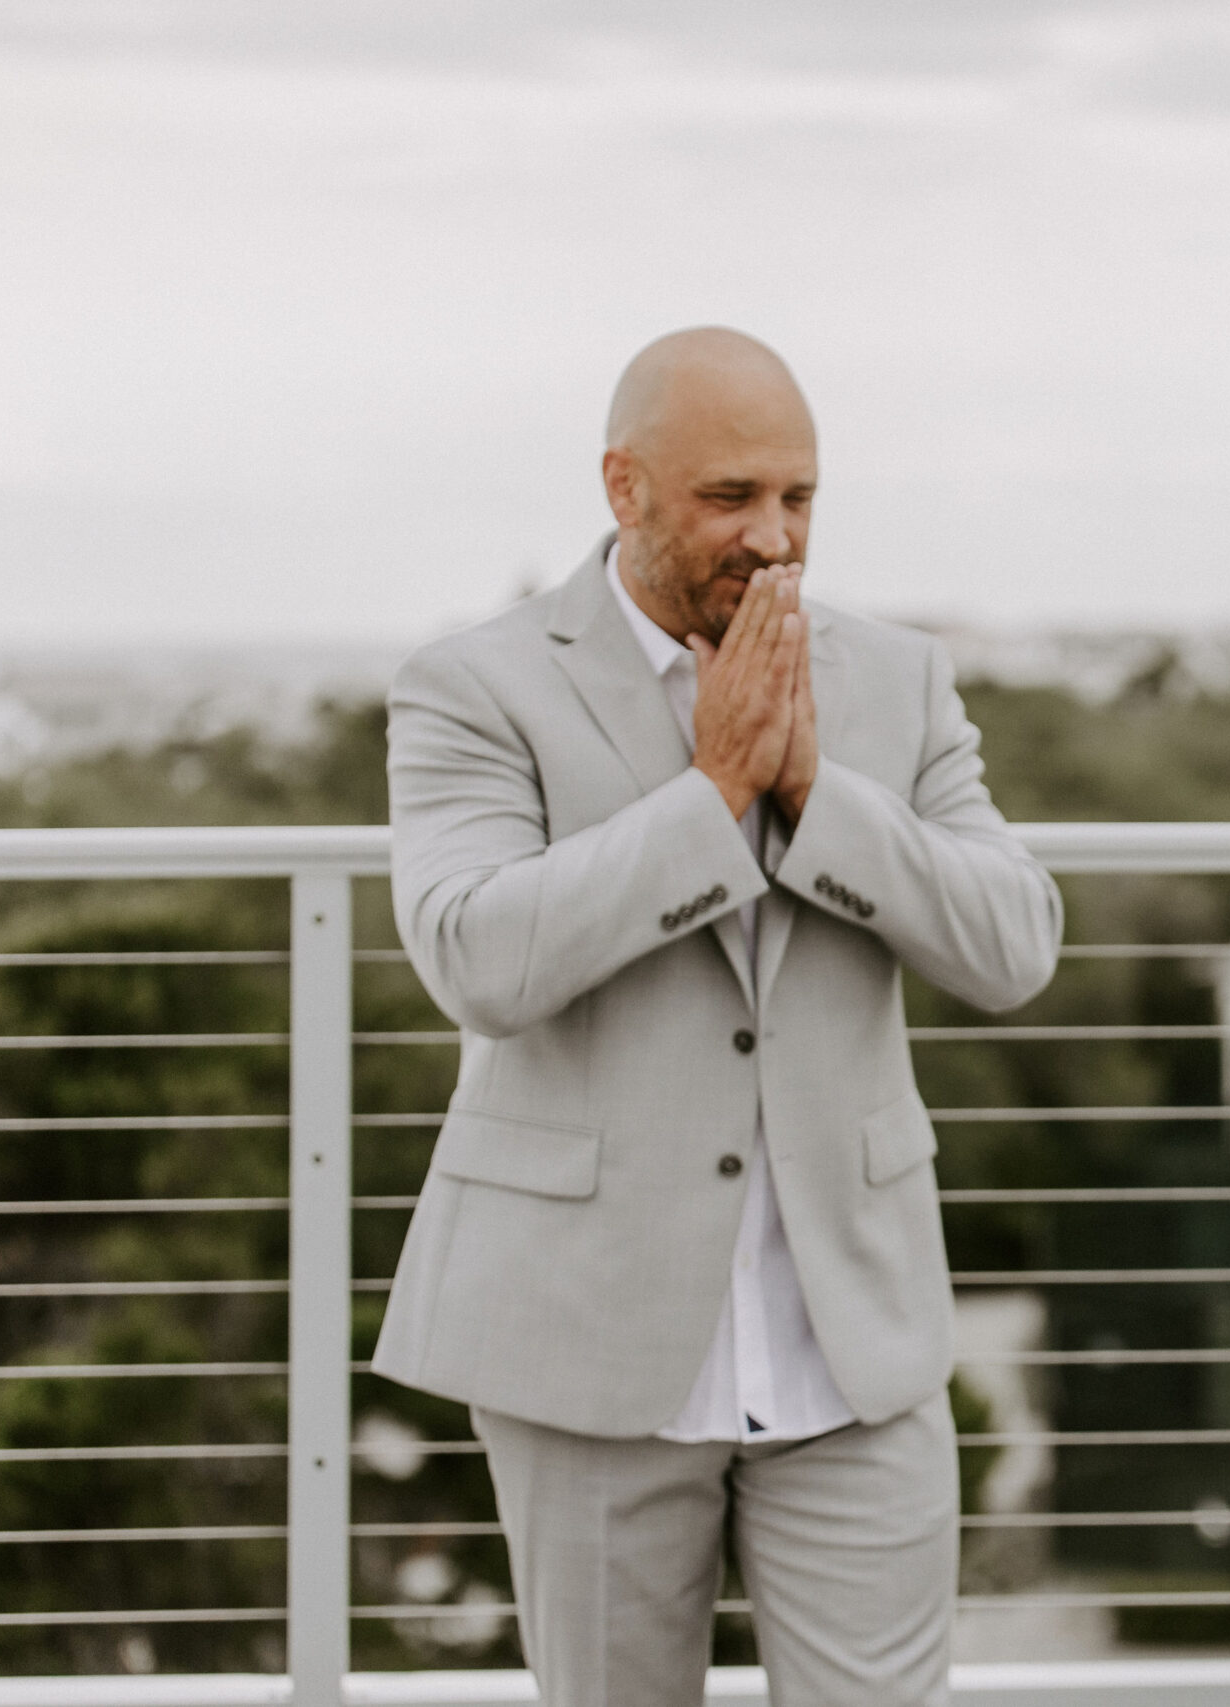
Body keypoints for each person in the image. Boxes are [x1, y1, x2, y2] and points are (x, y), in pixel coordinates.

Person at [372, 327, 1062, 1706]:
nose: (776, 536)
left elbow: (1013, 942)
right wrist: (713, 794)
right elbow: (478, 958)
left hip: (853, 1347)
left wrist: (819, 794)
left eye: (800, 498)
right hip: (586, 1344)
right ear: (623, 486)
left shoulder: (898, 679)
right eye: (730, 496)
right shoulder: (472, 683)